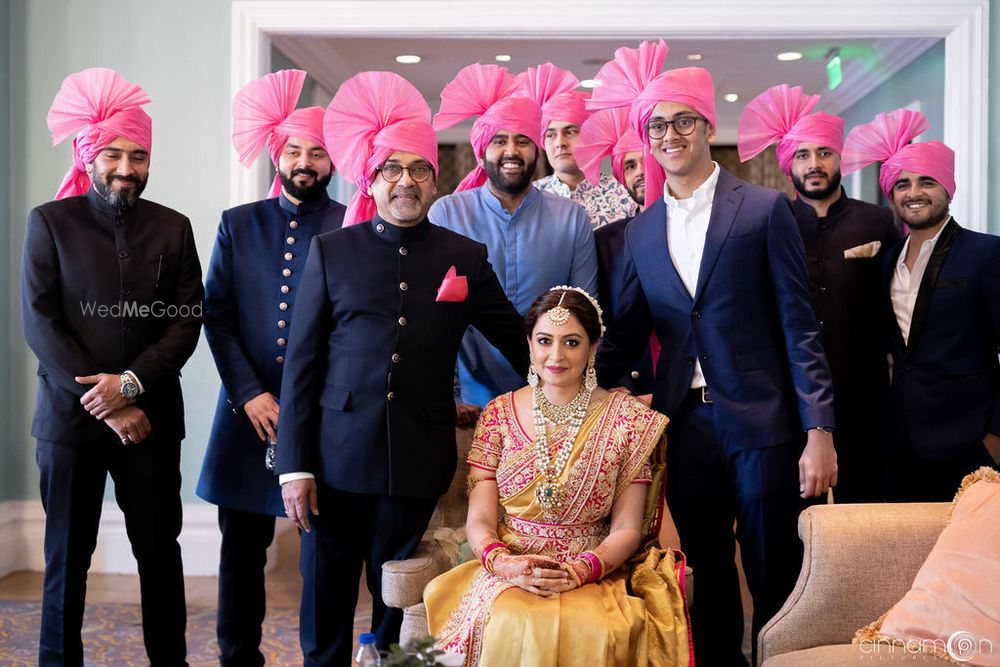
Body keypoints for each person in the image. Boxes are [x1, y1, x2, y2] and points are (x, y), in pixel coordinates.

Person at [589, 41, 836, 666]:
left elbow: (799, 327)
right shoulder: (640, 231)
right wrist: (562, 384)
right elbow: (625, 333)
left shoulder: (764, 207)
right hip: (685, 425)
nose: (670, 135)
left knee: (772, 564)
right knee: (703, 569)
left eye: (682, 121)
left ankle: (780, 659)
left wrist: (819, 431)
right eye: (658, 126)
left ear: (706, 126)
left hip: (764, 421)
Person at [274, 71, 529, 666]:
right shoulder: (333, 251)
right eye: (393, 169)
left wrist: (575, 386)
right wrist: (294, 467)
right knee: (327, 603)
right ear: (372, 178)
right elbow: (302, 365)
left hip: (417, 456)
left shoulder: (462, 256)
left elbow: (519, 339)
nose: (406, 181)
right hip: (334, 460)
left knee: (404, 607)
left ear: (434, 181)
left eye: (419, 169)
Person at [22, 67, 203, 666]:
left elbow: (186, 320)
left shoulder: (174, 228)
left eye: (139, 155)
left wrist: (129, 388)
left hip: (150, 420)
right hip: (70, 425)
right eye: (113, 154)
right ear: (88, 154)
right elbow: (41, 323)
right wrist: (106, 402)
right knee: (66, 557)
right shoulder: (49, 222)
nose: (126, 167)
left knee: (159, 552)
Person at [424, 287, 692, 667]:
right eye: (545, 340)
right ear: (530, 344)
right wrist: (506, 564)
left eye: (572, 342)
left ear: (593, 348)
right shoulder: (498, 415)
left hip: (594, 569)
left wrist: (582, 569)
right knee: (509, 621)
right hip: (512, 567)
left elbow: (627, 528)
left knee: (596, 630)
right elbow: (481, 519)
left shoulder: (627, 420)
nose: (556, 355)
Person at [195, 69, 345, 666]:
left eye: (316, 152)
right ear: (275, 154)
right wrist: (248, 393)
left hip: (319, 419)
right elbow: (216, 313)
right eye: (293, 150)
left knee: (322, 555)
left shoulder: (350, 224)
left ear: (333, 162)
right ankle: (238, 656)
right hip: (246, 415)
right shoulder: (238, 223)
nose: (303, 161)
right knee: (240, 553)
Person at [738, 84, 901, 502]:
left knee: (864, 509)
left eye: (824, 153)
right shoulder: (771, 220)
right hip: (788, 391)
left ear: (839, 159)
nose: (814, 164)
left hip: (862, 389)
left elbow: (893, 305)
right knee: (791, 511)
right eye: (803, 155)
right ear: (788, 164)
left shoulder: (877, 221)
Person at [841, 108, 1000, 502]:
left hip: (971, 441)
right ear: (891, 195)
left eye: (926, 181)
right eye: (902, 184)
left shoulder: (987, 253)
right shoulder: (884, 263)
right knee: (908, 551)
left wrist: (994, 436)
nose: (913, 193)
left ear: (948, 188)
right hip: (899, 441)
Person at [430, 63, 598, 410]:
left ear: (537, 150)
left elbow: (585, 313)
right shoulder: (447, 214)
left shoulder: (571, 218)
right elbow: (431, 319)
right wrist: (451, 395)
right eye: (499, 141)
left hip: (553, 396)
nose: (512, 151)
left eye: (523, 141)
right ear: (481, 151)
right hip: (467, 403)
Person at [575, 106, 657, 397]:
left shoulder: (698, 231)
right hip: (625, 387)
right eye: (630, 165)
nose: (639, 173)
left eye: (645, 161)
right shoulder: (607, 241)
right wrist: (618, 381)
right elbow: (602, 319)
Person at [521, 63, 638, 228]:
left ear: (589, 136)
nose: (560, 143)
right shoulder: (529, 197)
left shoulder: (623, 192)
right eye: (551, 135)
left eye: (570, 132)